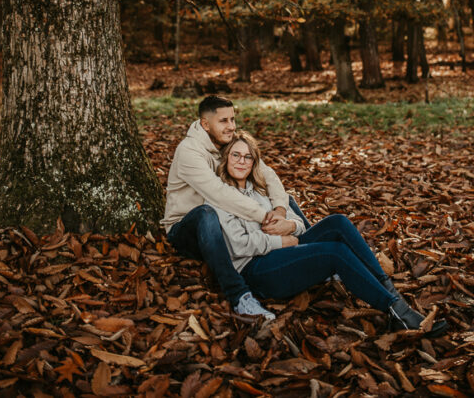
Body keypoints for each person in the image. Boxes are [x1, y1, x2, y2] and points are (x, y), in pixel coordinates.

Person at [210, 130, 449, 336]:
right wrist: (281, 240)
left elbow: (296, 222)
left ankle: (391, 293)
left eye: (247, 157)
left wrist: (291, 226)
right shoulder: (219, 197)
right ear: (226, 159)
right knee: (334, 253)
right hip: (258, 270)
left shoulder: (259, 191)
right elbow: (239, 246)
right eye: (235, 155)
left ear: (254, 162)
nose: (242, 161)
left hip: (284, 250)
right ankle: (396, 313)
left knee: (338, 222)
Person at [162, 95, 310, 320]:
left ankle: (312, 250)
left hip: (222, 222)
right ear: (205, 124)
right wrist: (264, 217)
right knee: (206, 214)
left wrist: (279, 211)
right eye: (224, 121)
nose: (231, 126)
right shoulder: (189, 152)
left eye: (232, 119)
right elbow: (219, 194)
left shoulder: (223, 142)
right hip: (187, 228)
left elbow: (267, 174)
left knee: (284, 200)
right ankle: (239, 297)